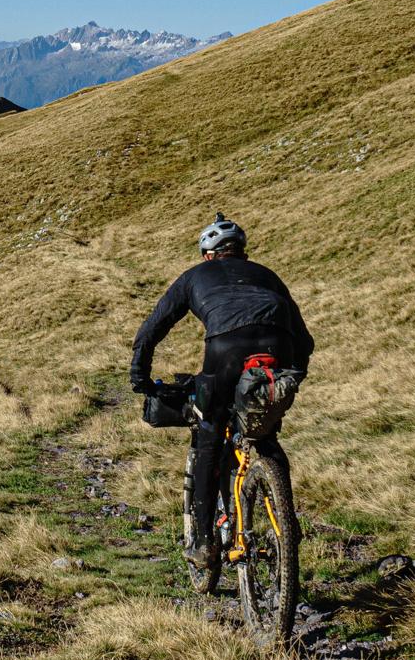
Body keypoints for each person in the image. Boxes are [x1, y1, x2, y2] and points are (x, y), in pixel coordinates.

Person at [129, 213, 314, 568]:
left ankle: (202, 543)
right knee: (265, 433)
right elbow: (304, 338)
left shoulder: (194, 276)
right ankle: (286, 520)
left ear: (207, 254)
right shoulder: (267, 275)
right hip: (280, 346)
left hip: (226, 348)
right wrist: (294, 371)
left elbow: (153, 328)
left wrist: (140, 375)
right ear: (241, 251)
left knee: (210, 435)